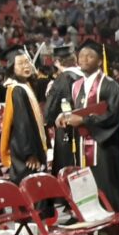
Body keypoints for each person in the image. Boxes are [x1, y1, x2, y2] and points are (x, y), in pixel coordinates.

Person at [60, 40, 119, 212]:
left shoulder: (109, 84)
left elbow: (114, 115)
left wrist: (84, 121)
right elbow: (72, 109)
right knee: (86, 186)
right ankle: (94, 223)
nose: (84, 59)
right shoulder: (76, 86)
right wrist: (63, 117)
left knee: (106, 185)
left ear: (99, 61)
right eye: (81, 56)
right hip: (82, 145)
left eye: (90, 56)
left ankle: (114, 226)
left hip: (104, 146)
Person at [0, 48, 48, 182]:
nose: (26, 66)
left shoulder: (25, 85)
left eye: (27, 62)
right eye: (20, 64)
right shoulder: (17, 90)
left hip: (30, 146)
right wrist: (30, 154)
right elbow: (22, 123)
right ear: (12, 68)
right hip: (25, 152)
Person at [43, 44, 82, 175]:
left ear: (57, 62)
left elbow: (49, 111)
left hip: (66, 130)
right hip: (84, 128)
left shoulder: (62, 79)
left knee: (66, 166)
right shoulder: (85, 76)